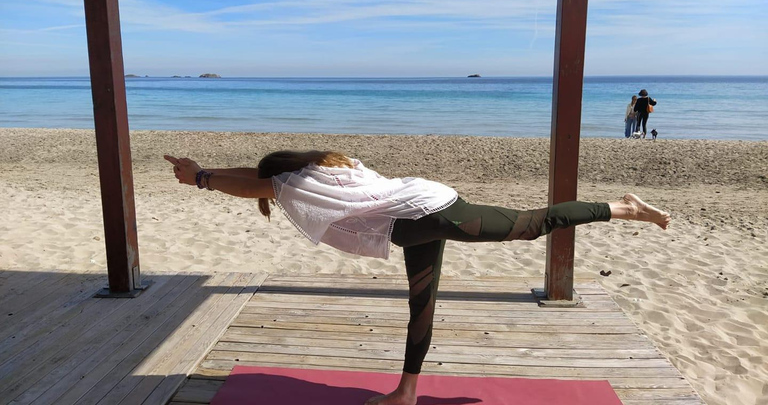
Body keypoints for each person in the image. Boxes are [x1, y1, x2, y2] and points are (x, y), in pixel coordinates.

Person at [164, 150, 671, 405]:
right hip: (411, 220)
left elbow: (252, 183)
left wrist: (201, 178)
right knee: (420, 304)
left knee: (530, 225)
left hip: (428, 212)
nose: (269, 191)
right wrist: (205, 172)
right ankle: (406, 392)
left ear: (277, 174)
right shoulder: (317, 169)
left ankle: (622, 207)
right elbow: (253, 178)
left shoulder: (296, 182)